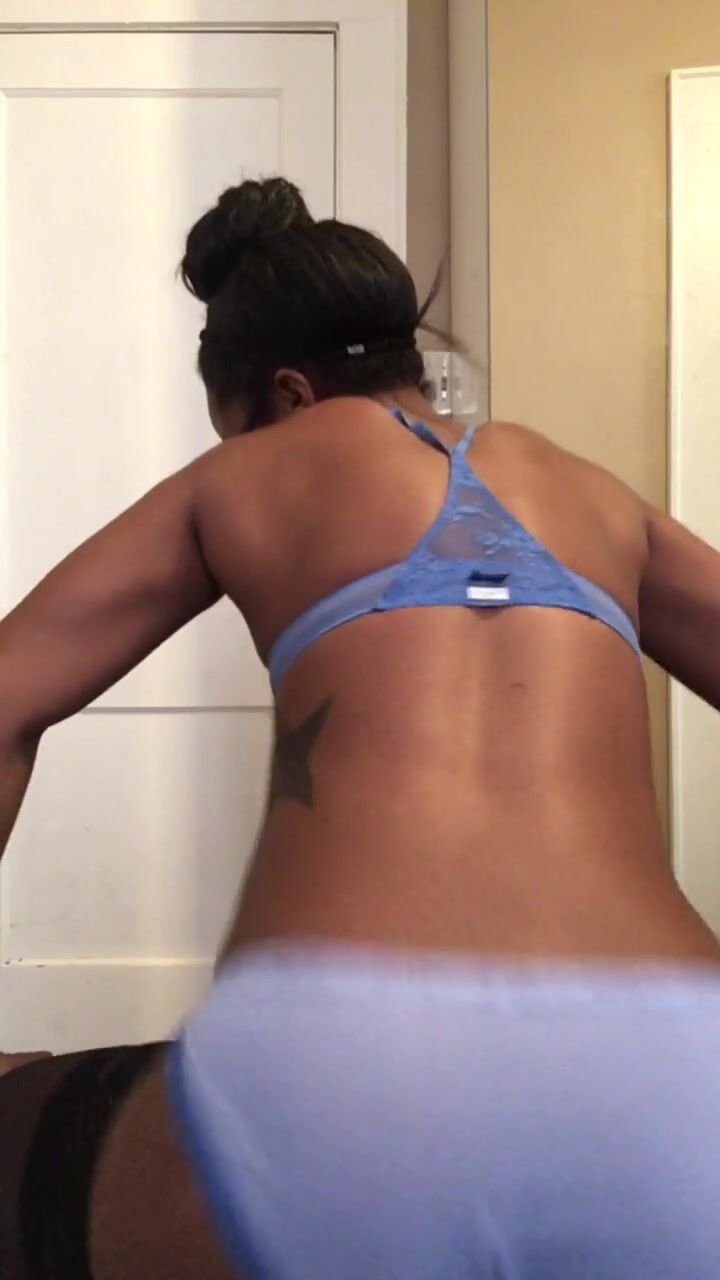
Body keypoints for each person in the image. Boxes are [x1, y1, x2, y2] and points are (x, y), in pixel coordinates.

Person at [1, 175, 720, 1280]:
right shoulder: (597, 495)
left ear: (285, 394)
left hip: (344, 1071)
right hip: (678, 1067)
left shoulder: (246, 474)